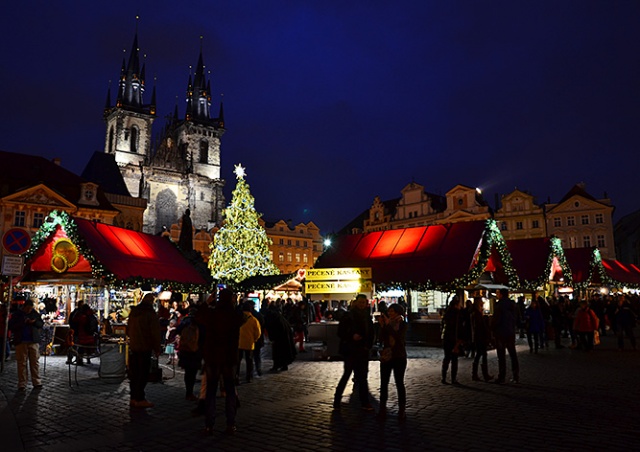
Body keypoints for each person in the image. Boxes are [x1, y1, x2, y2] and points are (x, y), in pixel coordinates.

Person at [196, 288, 243, 435]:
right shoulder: (235, 315)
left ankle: (209, 424)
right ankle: (231, 424)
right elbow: (242, 318)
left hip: (213, 357)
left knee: (210, 391)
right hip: (229, 357)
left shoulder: (212, 314)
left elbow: (198, 316)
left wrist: (207, 303)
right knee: (230, 391)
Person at [333, 294, 375, 411]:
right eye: (360, 302)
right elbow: (340, 332)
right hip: (350, 350)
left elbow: (371, 333)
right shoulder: (348, 316)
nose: (362, 305)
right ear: (356, 302)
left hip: (363, 350)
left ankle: (364, 402)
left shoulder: (367, 316)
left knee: (362, 377)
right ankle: (337, 400)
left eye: (364, 303)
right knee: (347, 374)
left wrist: (368, 346)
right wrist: (352, 336)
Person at [127, 293, 161, 408]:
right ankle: (139, 398)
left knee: (134, 373)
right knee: (143, 373)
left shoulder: (134, 313)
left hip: (134, 346)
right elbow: (155, 332)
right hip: (144, 346)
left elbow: (128, 329)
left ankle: (133, 397)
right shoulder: (150, 314)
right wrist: (157, 347)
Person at [376, 303, 407, 421]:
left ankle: (401, 410)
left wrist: (388, 326)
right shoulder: (387, 323)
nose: (390, 313)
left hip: (399, 356)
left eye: (392, 311)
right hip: (387, 356)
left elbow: (399, 338)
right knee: (384, 383)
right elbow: (381, 338)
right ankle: (382, 409)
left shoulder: (403, 324)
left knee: (399, 383)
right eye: (389, 311)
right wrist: (382, 326)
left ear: (398, 312)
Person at [9, 299, 44, 391]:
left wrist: (34, 322)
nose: (29, 310)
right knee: (22, 363)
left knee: (35, 362)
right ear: (24, 307)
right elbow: (11, 326)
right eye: (28, 308)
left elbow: (41, 324)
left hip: (33, 340)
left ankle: (37, 381)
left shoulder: (34, 313)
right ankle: (22, 383)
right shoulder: (17, 314)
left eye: (31, 308)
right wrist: (23, 322)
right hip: (21, 341)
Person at [491, 289, 520, 384]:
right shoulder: (513, 305)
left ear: (501, 295)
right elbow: (517, 317)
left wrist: (493, 328)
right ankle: (516, 375)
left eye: (498, 293)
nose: (497, 295)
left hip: (501, 332)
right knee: (512, 353)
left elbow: (496, 319)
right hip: (510, 331)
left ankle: (502, 376)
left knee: (501, 355)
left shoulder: (499, 305)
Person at [176, 306, 202, 400]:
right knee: (193, 371)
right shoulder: (199, 322)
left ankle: (188, 391)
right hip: (195, 350)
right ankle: (190, 392)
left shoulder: (184, 321)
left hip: (185, 349)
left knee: (188, 371)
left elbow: (177, 330)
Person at [264, 303, 296, 372]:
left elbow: (272, 328)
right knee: (284, 351)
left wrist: (272, 337)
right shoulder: (280, 317)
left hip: (278, 338)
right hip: (285, 337)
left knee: (277, 353)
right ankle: (284, 365)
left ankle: (276, 366)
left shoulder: (273, 317)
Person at [237, 301, 261, 383]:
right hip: (249, 343)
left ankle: (236, 376)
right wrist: (254, 339)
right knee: (249, 361)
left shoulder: (238, 318)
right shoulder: (254, 320)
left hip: (238, 343)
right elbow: (258, 333)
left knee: (237, 361)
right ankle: (249, 377)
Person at [470, 297, 494, 382]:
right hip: (480, 337)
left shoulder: (477, 312)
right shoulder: (476, 313)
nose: (482, 303)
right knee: (481, 354)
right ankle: (481, 374)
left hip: (479, 337)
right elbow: (479, 327)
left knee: (481, 354)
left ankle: (478, 374)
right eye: (481, 302)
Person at [441, 296, 463, 385]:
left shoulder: (447, 313)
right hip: (454, 339)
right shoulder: (458, 314)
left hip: (446, 338)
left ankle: (444, 377)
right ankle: (453, 379)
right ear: (456, 305)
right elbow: (459, 328)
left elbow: (443, 326)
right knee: (454, 359)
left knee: (446, 358)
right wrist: (459, 341)